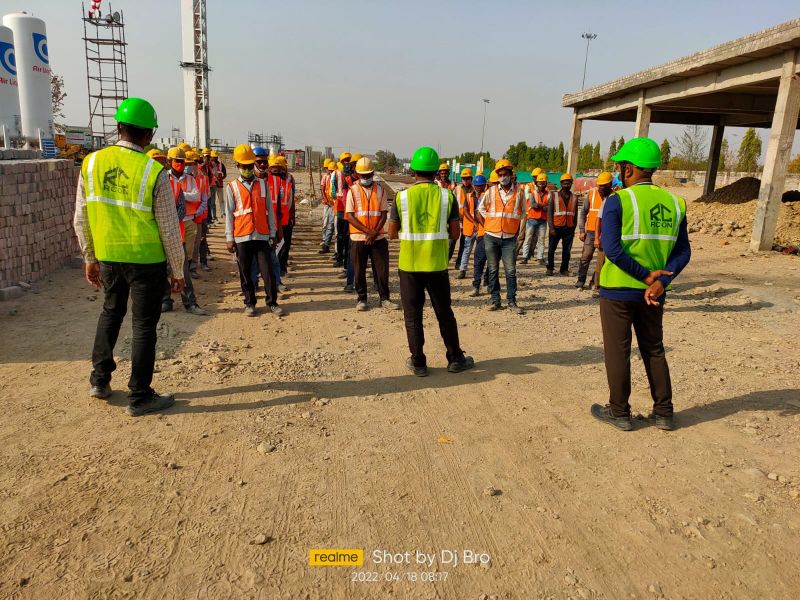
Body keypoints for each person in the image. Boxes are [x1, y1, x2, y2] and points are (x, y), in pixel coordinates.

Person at [74, 97, 184, 417]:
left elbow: (81, 216)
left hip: (108, 256)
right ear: (149, 135)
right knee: (144, 326)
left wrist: (90, 257)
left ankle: (100, 379)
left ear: (118, 127)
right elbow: (168, 228)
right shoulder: (153, 171)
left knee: (110, 313)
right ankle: (140, 395)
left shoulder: (92, 163)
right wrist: (177, 270)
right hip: (145, 261)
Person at [590, 137, 691, 432]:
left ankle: (619, 412)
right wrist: (660, 280)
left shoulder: (618, 201)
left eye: (622, 166)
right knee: (654, 348)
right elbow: (683, 251)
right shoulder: (676, 202)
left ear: (631, 168)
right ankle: (664, 412)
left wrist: (647, 277)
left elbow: (611, 248)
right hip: (655, 294)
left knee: (618, 351)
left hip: (620, 290)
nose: (620, 171)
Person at [388, 146, 474, 377]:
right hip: (436, 265)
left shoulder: (402, 197)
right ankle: (455, 358)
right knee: (444, 312)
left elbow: (392, 233)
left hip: (409, 266)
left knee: (412, 316)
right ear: (437, 172)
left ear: (413, 170)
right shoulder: (447, 196)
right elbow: (456, 233)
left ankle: (418, 362)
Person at [225, 144, 285, 317]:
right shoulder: (232, 187)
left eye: (249, 165)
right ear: (238, 166)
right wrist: (229, 238)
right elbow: (229, 215)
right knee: (246, 273)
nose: (247, 169)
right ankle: (250, 303)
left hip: (262, 235)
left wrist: (273, 233)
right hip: (242, 236)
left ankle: (272, 302)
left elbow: (270, 213)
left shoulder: (263, 185)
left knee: (268, 273)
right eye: (244, 166)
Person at [345, 157, 399, 312]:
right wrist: (367, 231)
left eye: (368, 175)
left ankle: (385, 298)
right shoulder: (352, 191)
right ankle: (362, 299)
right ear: (357, 174)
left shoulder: (380, 190)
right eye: (363, 175)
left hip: (378, 237)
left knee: (382, 270)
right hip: (358, 237)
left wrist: (374, 232)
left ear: (373, 173)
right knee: (359, 270)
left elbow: (383, 214)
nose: (366, 178)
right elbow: (349, 216)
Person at [161, 147, 208, 316]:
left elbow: (192, 199)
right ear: (169, 161)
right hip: (163, 229)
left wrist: (180, 197)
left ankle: (190, 302)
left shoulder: (181, 182)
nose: (180, 165)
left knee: (183, 268)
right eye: (177, 161)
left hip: (179, 229)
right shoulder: (162, 179)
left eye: (182, 162)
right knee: (162, 268)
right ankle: (166, 300)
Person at [477, 159, 525, 314]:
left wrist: (518, 230)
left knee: (510, 271)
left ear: (511, 174)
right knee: (493, 269)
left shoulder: (520, 193)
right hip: (491, 236)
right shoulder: (490, 191)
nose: (503, 177)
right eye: (500, 174)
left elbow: (523, 213)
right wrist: (489, 224)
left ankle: (512, 301)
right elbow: (481, 209)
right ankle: (495, 299)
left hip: (509, 238)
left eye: (505, 174)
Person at [576, 171, 613, 289]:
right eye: (600, 185)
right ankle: (580, 281)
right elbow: (583, 213)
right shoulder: (592, 194)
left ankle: (595, 282)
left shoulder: (614, 197)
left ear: (610, 184)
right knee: (586, 257)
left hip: (607, 234)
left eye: (604, 185)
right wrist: (582, 230)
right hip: (591, 232)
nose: (601, 188)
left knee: (601, 261)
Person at [546, 173, 578, 276]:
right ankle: (550, 268)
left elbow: (575, 214)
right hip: (556, 227)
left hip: (569, 228)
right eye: (564, 183)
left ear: (571, 183)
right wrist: (551, 228)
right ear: (561, 183)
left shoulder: (574, 197)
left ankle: (564, 269)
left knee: (567, 250)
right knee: (551, 249)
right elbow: (549, 213)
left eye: (568, 183)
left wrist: (574, 227)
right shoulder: (554, 196)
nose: (566, 185)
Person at [272, 155, 296, 278]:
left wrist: (293, 216)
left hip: (286, 219)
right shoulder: (267, 180)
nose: (277, 171)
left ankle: (282, 268)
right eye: (274, 168)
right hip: (271, 221)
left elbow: (292, 199)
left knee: (284, 246)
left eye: (279, 168)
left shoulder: (289, 179)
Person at [466, 174, 489, 297]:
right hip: (481, 232)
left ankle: (487, 283)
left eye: (481, 186)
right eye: (477, 186)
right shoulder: (471, 196)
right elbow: (472, 211)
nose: (479, 188)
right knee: (479, 259)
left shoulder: (488, 196)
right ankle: (476, 286)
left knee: (491, 260)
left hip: (492, 233)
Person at [521, 170, 550, 265]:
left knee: (541, 239)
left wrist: (540, 206)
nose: (541, 185)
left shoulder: (549, 194)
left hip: (542, 220)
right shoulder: (532, 193)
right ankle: (525, 257)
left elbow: (549, 207)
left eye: (543, 183)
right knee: (528, 238)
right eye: (539, 183)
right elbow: (532, 204)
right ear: (536, 183)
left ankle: (540, 257)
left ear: (546, 183)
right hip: (532, 219)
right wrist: (543, 206)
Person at [452, 167, 473, 274]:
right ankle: (448, 260)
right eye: (464, 178)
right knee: (452, 241)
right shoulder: (457, 189)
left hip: (468, 220)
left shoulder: (475, 190)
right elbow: (453, 203)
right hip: (457, 219)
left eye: (467, 178)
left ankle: (459, 263)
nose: (465, 180)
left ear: (471, 178)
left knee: (463, 243)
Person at [319, 159, 336, 253]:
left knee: (332, 225)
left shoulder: (337, 177)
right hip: (328, 203)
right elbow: (323, 189)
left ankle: (327, 243)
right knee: (327, 224)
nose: (328, 171)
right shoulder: (326, 177)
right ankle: (325, 242)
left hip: (335, 204)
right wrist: (326, 200)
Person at [209, 150, 227, 222]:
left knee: (221, 200)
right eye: (213, 157)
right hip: (212, 185)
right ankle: (213, 216)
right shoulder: (209, 165)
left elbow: (225, 174)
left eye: (216, 157)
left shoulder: (221, 165)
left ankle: (223, 212)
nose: (215, 159)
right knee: (212, 201)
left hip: (219, 185)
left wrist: (221, 178)